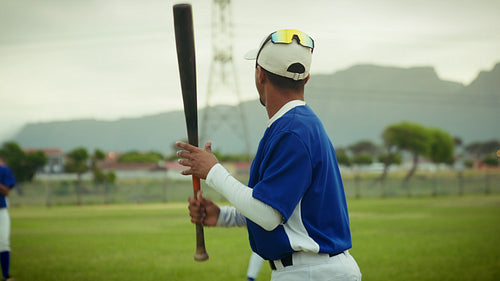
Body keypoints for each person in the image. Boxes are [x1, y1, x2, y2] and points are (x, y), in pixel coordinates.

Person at [177, 29, 362, 281]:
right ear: (306, 78)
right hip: (313, 270)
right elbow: (281, 207)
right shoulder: (295, 125)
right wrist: (224, 216)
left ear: (260, 74)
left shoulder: (292, 131)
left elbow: (268, 215)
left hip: (311, 272)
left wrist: (212, 171)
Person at [0, 157, 16, 281]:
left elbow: (6, 191)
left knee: (4, 243)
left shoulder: (4, 170)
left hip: (1, 209)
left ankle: (6, 275)